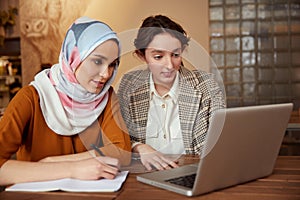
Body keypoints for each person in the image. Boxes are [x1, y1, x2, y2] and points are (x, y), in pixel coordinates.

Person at [0, 16, 131, 186]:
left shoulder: (107, 96)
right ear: (73, 57)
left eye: (112, 64)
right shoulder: (30, 98)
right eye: (97, 61)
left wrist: (52, 162)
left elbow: (121, 151)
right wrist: (72, 169)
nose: (106, 74)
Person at [118, 15, 225, 171]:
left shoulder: (207, 86)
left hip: (194, 174)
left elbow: (218, 144)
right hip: (143, 178)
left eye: (175, 54)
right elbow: (120, 139)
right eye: (158, 56)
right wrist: (139, 147)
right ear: (142, 56)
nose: (169, 65)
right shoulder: (128, 86)